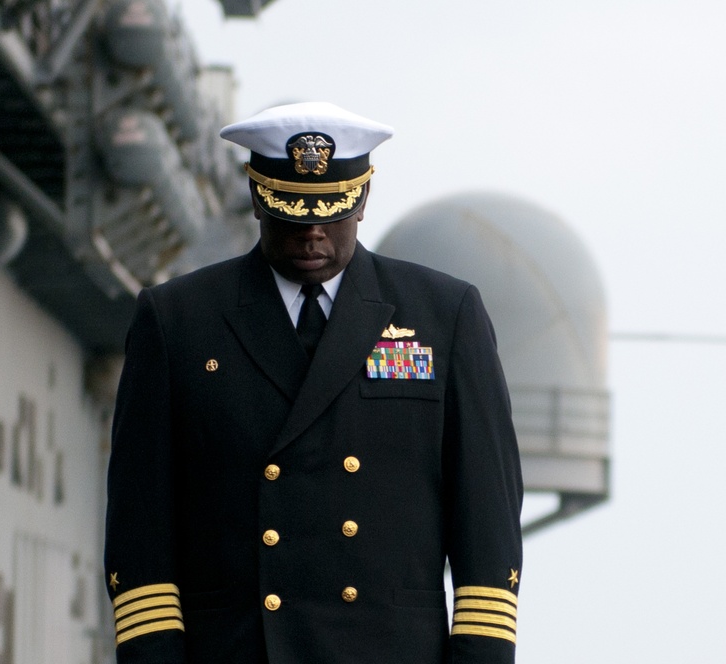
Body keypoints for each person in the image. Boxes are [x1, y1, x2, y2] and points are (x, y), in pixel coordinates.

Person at [104, 102, 523, 664]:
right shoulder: (179, 320)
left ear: (365, 199)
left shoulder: (444, 316)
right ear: (257, 198)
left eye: (332, 210)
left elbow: (487, 525)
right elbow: (140, 529)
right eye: (292, 212)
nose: (313, 233)